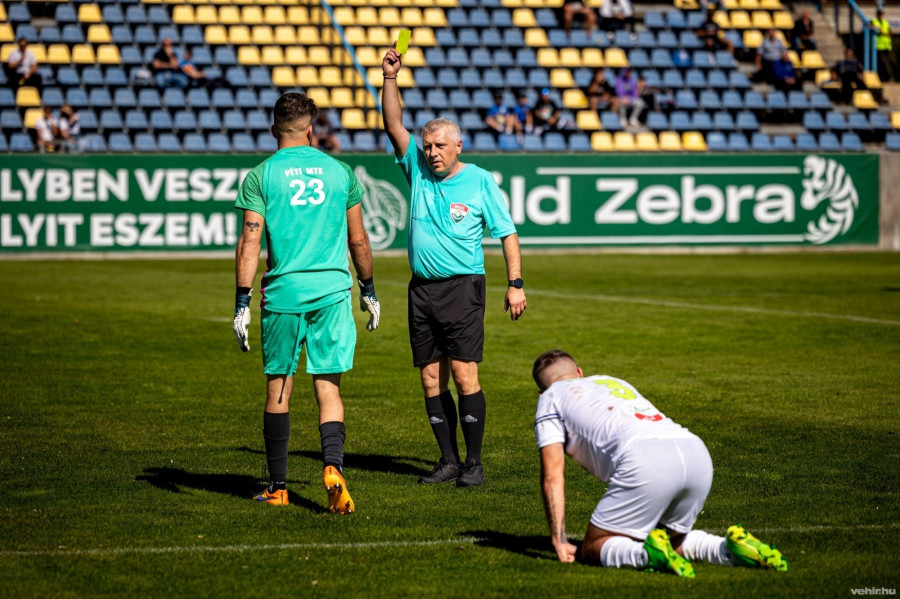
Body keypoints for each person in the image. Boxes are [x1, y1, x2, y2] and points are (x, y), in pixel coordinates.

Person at [381, 46, 527, 488]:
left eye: (440, 146)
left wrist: (515, 283)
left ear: (458, 145)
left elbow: (507, 233)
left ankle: (475, 462)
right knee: (430, 377)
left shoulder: (480, 179)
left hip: (463, 287)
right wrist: (390, 79)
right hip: (421, 289)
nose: (432, 153)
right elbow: (392, 124)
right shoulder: (418, 169)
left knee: (464, 374)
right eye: (427, 146)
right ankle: (447, 460)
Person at [233, 92, 381, 513]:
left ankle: (278, 487)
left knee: (279, 387)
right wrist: (368, 289)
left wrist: (242, 301)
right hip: (334, 291)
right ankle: (332, 467)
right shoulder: (339, 172)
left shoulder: (260, 175)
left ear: (273, 127)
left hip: (283, 293)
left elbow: (250, 241)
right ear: (311, 128)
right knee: (328, 387)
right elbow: (358, 239)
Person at [532, 350, 790, 576]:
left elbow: (552, 475)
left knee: (592, 548)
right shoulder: (610, 380)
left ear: (541, 391)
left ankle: (646, 557)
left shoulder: (549, 399)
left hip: (645, 460)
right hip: (694, 451)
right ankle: (726, 549)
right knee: (670, 539)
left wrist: (559, 538)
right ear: (579, 372)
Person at [871, 10, 895, 83]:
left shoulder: (885, 22)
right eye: (880, 14)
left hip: (886, 46)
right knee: (882, 62)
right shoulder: (874, 21)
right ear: (877, 15)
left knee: (886, 62)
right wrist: (885, 33)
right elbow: (879, 31)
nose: (881, 16)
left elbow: (890, 32)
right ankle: (887, 76)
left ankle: (886, 77)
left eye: (882, 14)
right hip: (879, 46)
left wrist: (885, 33)